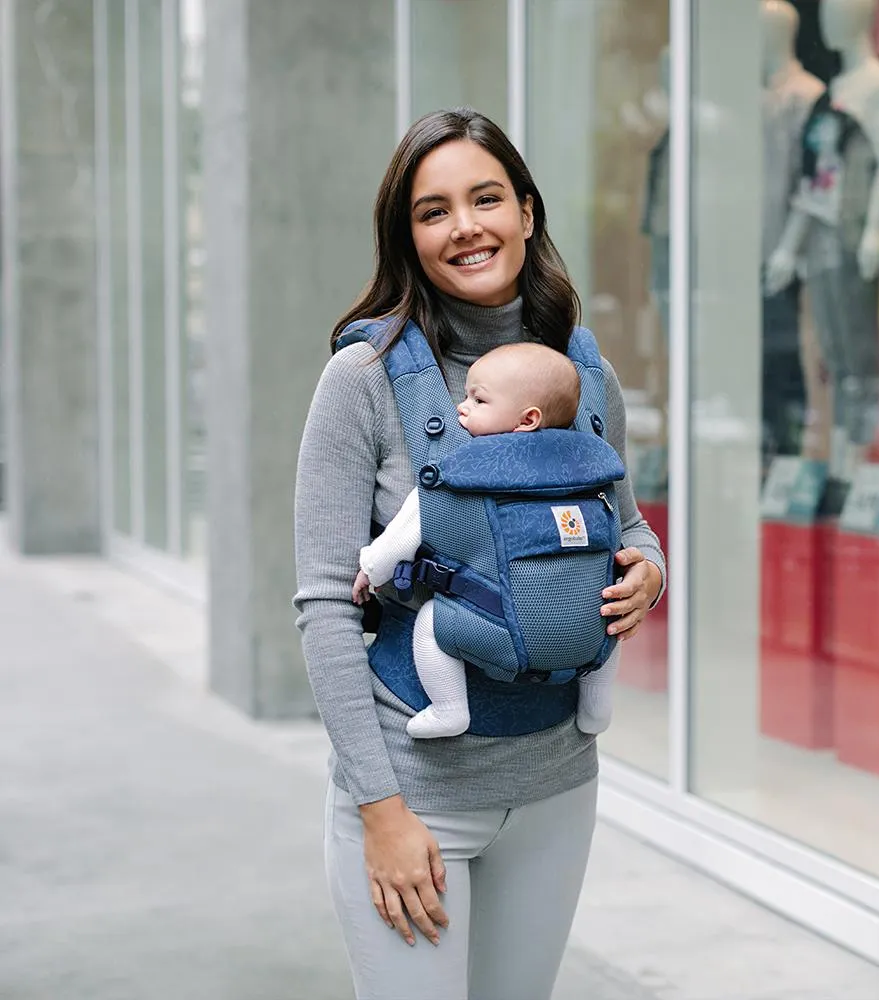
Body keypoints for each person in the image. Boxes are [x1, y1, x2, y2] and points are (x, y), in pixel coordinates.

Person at [293, 107, 665, 1000]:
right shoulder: (366, 380)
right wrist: (379, 808)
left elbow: (630, 523)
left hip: (557, 784)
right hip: (415, 796)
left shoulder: (584, 375)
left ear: (527, 213)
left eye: (486, 198)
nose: (465, 226)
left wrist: (650, 571)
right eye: (433, 210)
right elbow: (322, 604)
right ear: (408, 235)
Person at [351, 340, 622, 740]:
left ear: (527, 419)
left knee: (430, 624)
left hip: (503, 635)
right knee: (612, 617)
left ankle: (449, 710)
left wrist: (370, 570)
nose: (461, 407)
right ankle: (596, 703)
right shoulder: (588, 464)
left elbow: (401, 538)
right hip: (587, 635)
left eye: (478, 400)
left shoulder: (461, 472)